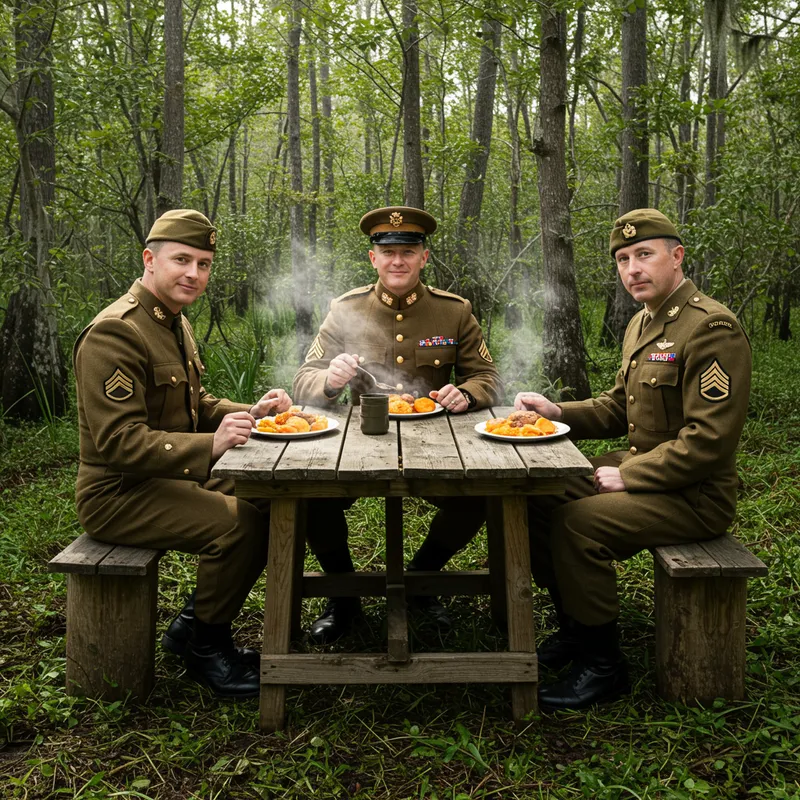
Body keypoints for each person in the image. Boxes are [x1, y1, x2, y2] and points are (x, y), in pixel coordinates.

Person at [515, 208, 752, 710]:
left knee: (577, 524)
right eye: (623, 260)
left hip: (694, 494)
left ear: (677, 256)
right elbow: (619, 407)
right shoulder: (643, 322)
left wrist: (630, 474)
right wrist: (556, 411)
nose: (632, 269)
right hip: (648, 471)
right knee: (539, 497)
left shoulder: (712, 327)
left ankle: (603, 667)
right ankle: (575, 628)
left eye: (644, 255)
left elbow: (709, 439)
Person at [73, 209, 293, 698]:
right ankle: (207, 650)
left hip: (169, 475)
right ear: (149, 259)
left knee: (273, 496)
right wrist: (211, 444)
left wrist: (251, 412)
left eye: (204, 264)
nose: (194, 273)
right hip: (119, 492)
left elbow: (195, 404)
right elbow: (118, 442)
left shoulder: (173, 321)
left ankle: (190, 625)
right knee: (238, 524)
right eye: (182, 260)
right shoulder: (117, 331)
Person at [293, 206, 503, 643]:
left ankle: (423, 579)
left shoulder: (454, 311)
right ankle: (344, 595)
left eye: (408, 252)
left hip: (438, 441)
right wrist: (329, 381)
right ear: (373, 259)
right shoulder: (345, 309)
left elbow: (487, 377)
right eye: (388, 253)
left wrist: (467, 394)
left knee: (483, 494)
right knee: (311, 496)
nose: (398, 261)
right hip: (360, 441)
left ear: (424, 257)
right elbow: (304, 377)